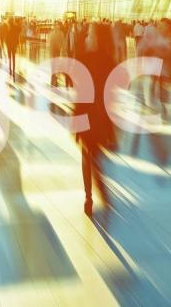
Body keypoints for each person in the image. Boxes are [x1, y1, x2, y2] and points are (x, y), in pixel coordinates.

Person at [74, 24, 118, 216]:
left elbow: (79, 94)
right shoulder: (110, 62)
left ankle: (89, 196)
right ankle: (100, 191)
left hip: (86, 113)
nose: (86, 38)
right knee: (94, 155)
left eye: (89, 35)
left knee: (87, 155)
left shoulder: (83, 60)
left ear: (97, 38)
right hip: (102, 116)